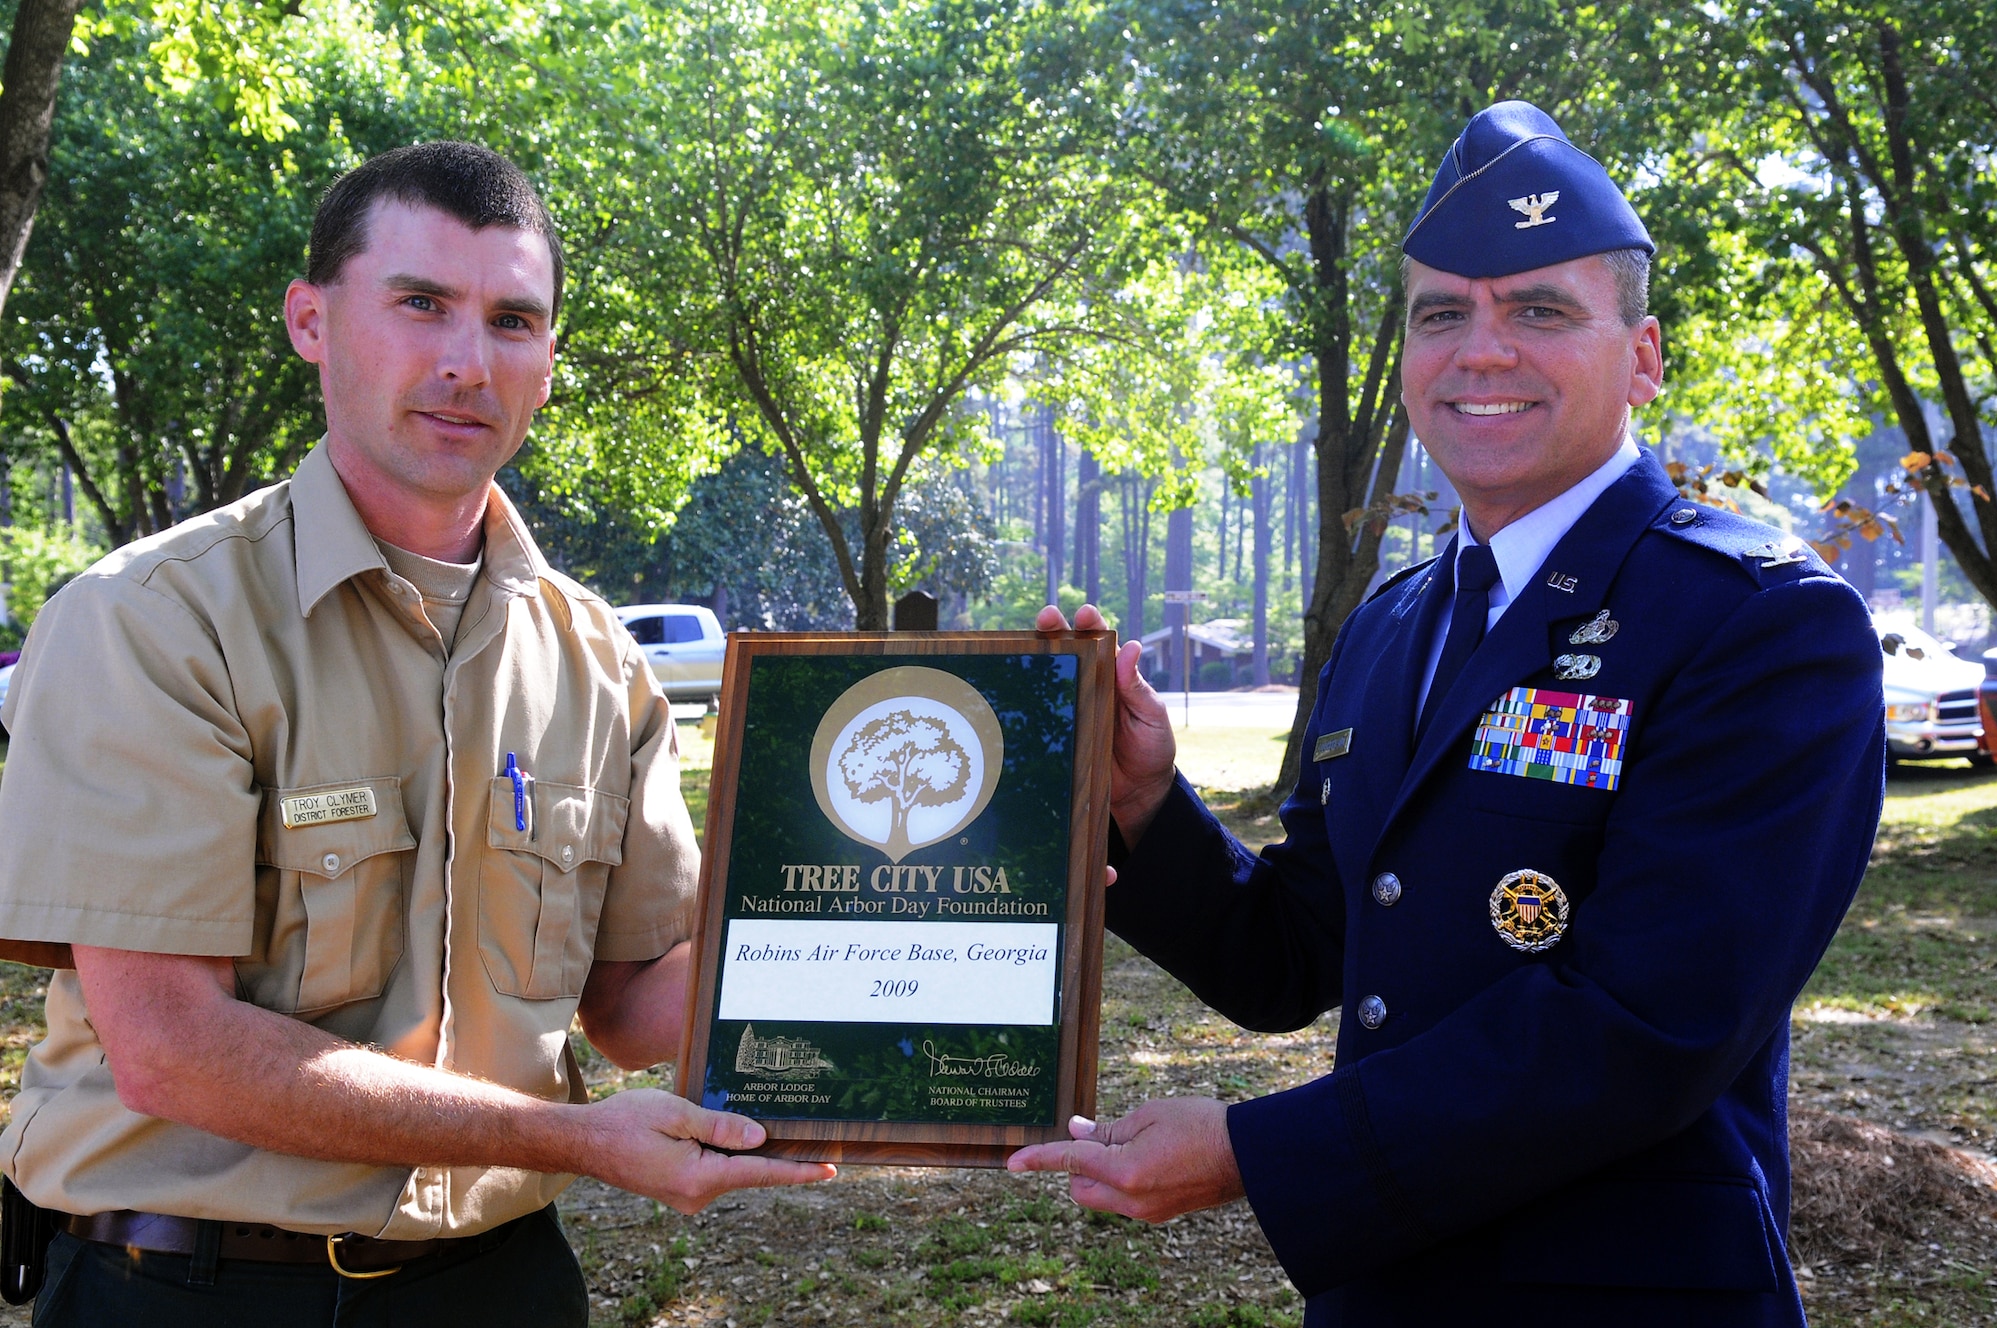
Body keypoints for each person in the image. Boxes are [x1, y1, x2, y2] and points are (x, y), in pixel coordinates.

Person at [1014, 102, 1885, 1327]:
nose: (1480, 351)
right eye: (1441, 314)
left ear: (1638, 356)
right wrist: (1143, 803)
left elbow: (1652, 1020)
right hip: (1386, 1292)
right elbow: (1297, 954)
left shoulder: (1759, 623)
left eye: (1537, 309)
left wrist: (1252, 1151)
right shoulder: (1394, 622)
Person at [0, 141, 832, 1325]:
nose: (464, 361)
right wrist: (576, 1138)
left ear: (548, 359)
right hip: (196, 1288)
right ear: (310, 321)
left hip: (502, 1286)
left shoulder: (597, 658)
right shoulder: (150, 624)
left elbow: (640, 1006)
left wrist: (890, 905)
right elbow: (171, 1047)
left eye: (511, 319)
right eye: (421, 303)